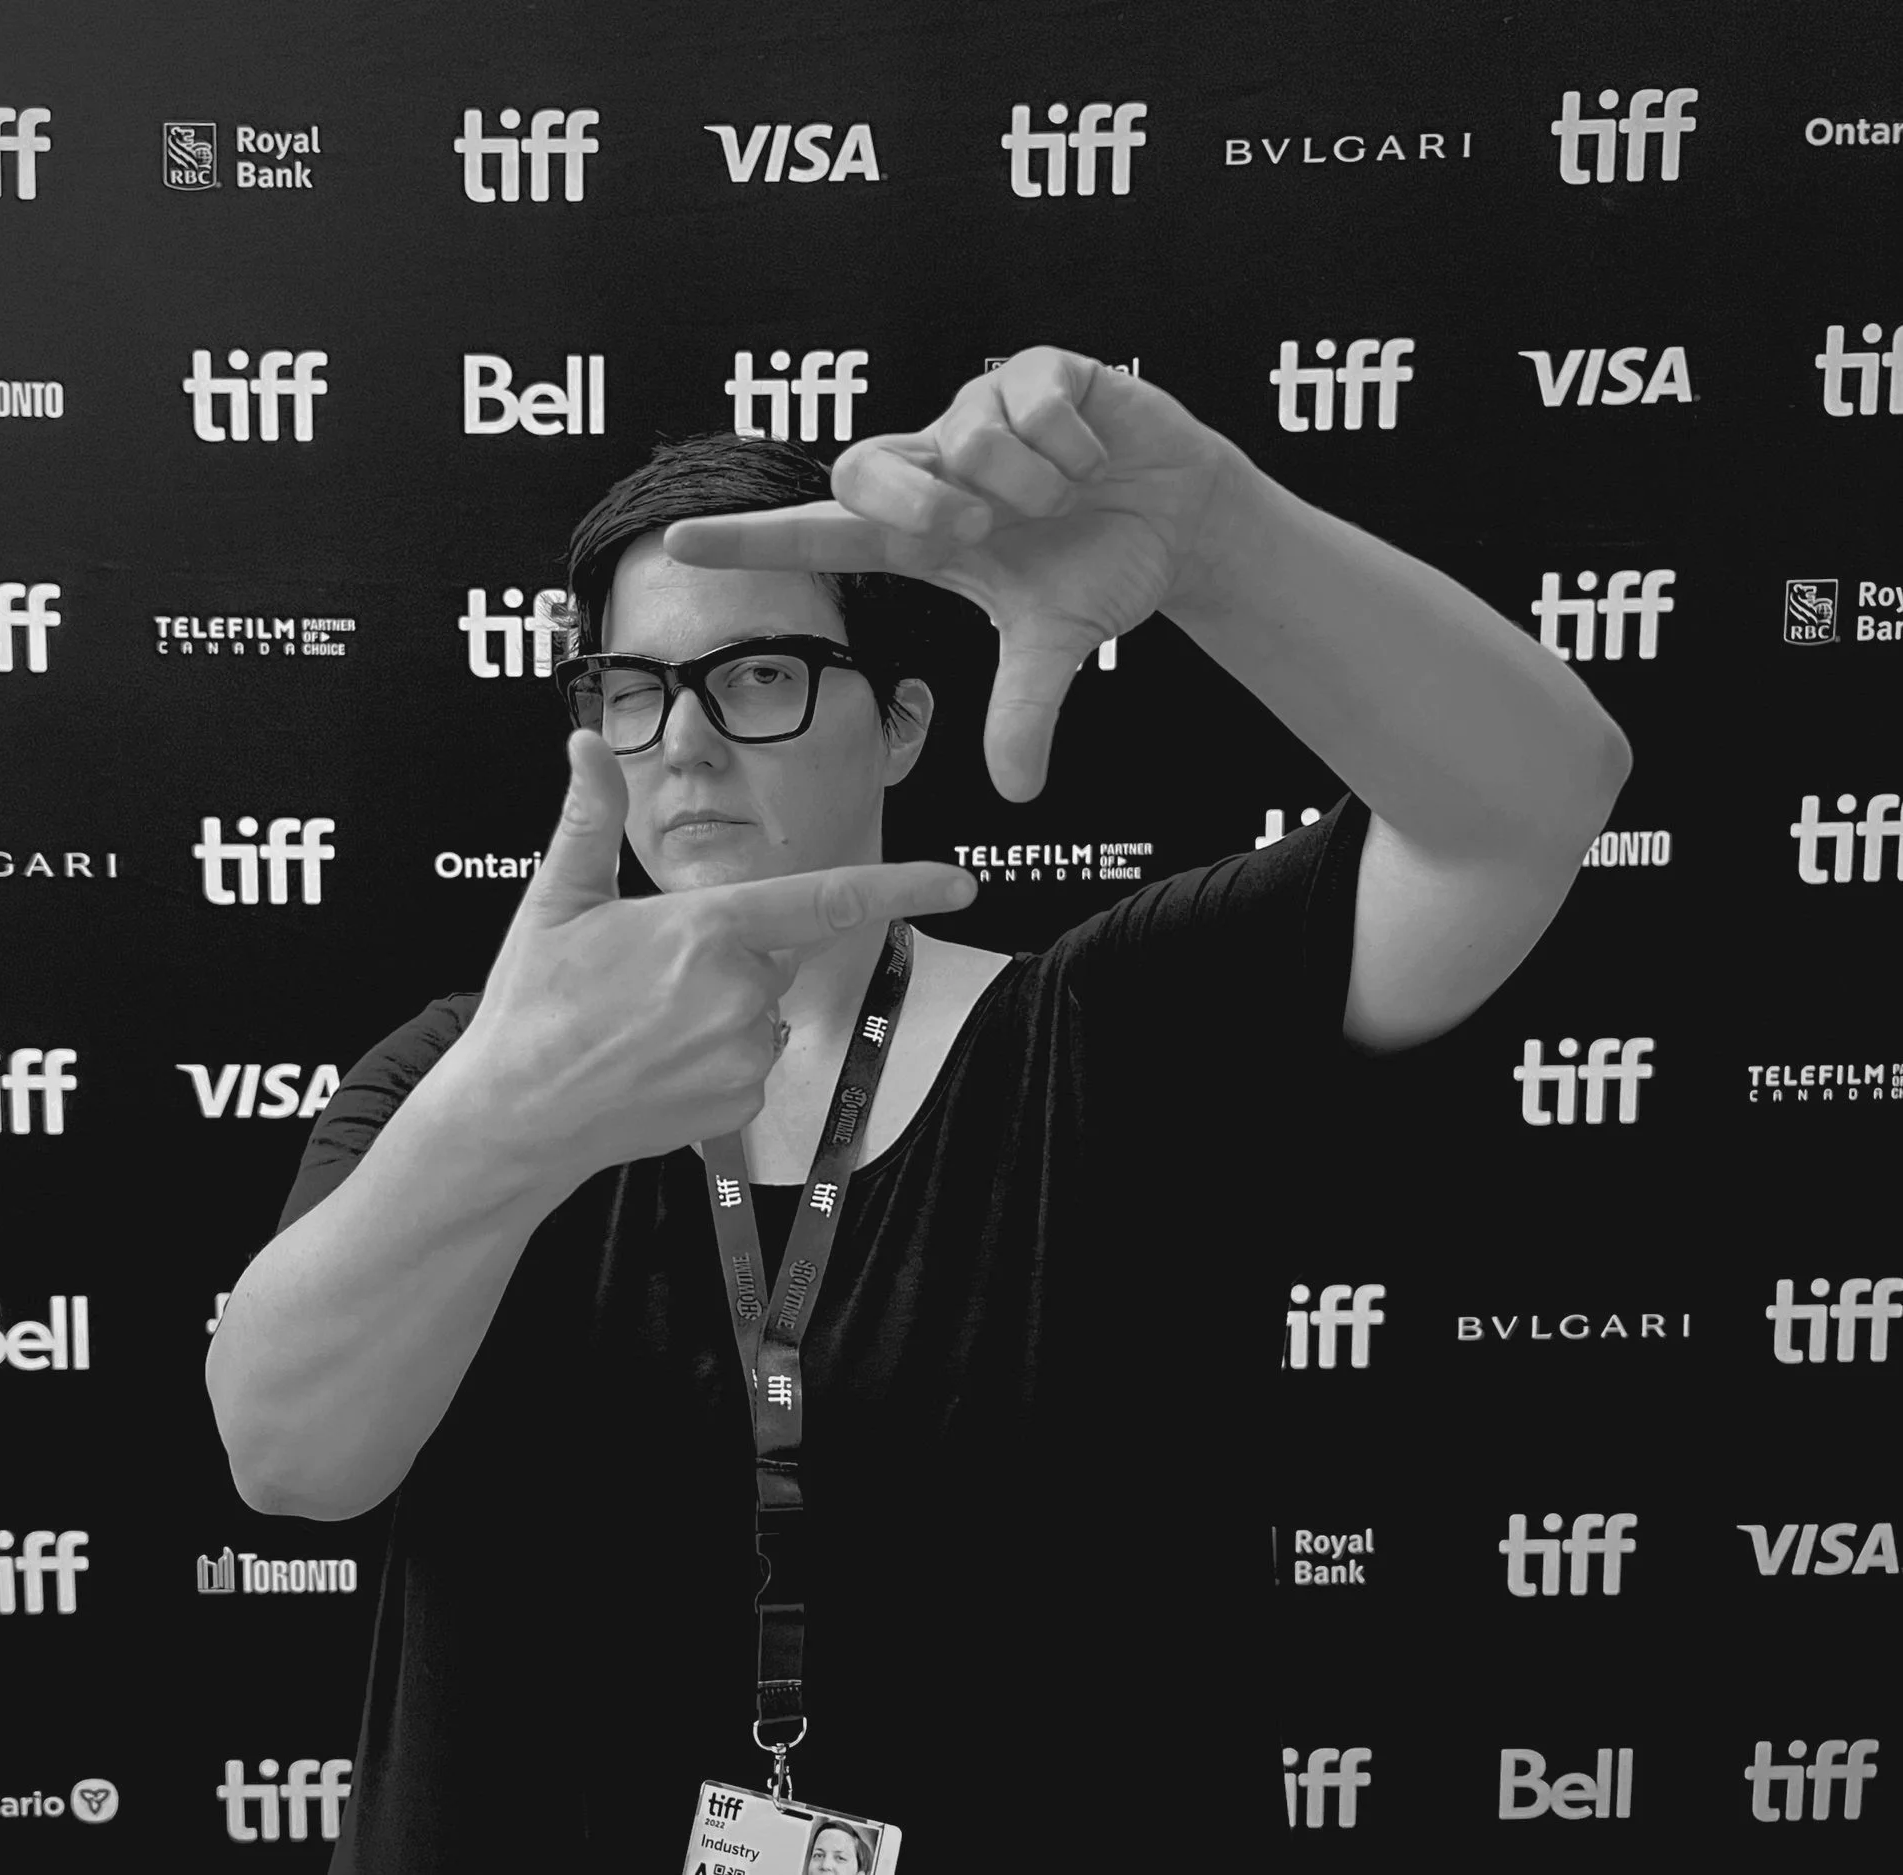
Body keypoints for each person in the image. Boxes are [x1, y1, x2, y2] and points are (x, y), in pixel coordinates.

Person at [206, 348, 1631, 1867]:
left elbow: (1534, 804)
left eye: (754, 674)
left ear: (896, 723)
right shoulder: (455, 1073)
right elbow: (290, 1455)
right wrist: (506, 1119)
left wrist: (1217, 533)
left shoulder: (1091, 1034)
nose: (680, 738)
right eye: (633, 688)